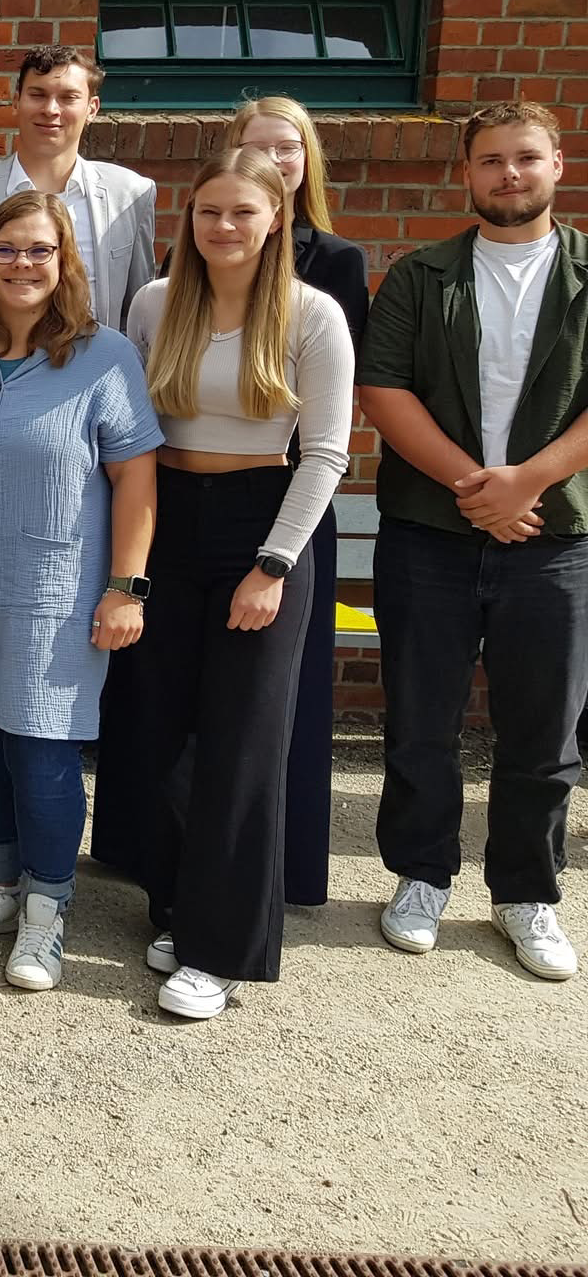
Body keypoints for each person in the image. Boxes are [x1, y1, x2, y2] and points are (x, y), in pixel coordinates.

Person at [120, 148, 354, 1021]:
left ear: (276, 220)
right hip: (166, 519)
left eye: (243, 212)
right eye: (210, 211)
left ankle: (221, 952)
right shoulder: (154, 303)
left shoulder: (312, 314)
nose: (224, 227)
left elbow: (325, 454)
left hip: (263, 524)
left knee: (242, 740)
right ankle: (181, 907)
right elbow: (131, 433)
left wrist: (273, 565)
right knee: (160, 729)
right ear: (190, 218)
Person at [359, 101, 587, 983]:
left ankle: (525, 891)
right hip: (430, 535)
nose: (508, 174)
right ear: (467, 173)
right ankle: (422, 875)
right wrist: (476, 488)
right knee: (422, 721)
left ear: (557, 164)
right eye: (490, 160)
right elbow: (384, 389)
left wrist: (527, 482)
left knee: (545, 729)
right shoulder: (421, 275)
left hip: (555, 538)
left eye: (525, 157)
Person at [0, 191, 160, 991]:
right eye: (7, 249)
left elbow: (135, 479)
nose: (22, 264)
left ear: (65, 262)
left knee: (43, 749)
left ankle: (48, 911)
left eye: (39, 250)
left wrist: (126, 587)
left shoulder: (104, 356)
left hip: (54, 589)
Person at [229, 96, 368, 905]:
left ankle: (280, 866)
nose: (276, 160)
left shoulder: (335, 265)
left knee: (282, 700)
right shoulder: (196, 249)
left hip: (291, 500)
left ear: (307, 160)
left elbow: (331, 418)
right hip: (198, 503)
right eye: (258, 146)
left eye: (289, 147)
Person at [0, 44, 157, 331]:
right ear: (16, 101)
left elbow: (138, 313)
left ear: (92, 108)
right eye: (38, 95)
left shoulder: (131, 195)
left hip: (97, 356)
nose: (51, 110)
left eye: (68, 97)